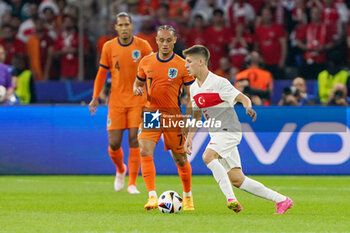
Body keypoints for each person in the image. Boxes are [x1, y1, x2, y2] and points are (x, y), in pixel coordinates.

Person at [183, 45, 293, 214]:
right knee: (237, 179)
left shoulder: (219, 82)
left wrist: (248, 107)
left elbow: (243, 98)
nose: (186, 65)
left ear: (201, 61)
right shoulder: (193, 88)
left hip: (229, 130)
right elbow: (197, 116)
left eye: (189, 62)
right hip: (217, 133)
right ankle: (282, 200)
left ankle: (231, 199)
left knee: (208, 156)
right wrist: (190, 137)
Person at [89, 12, 153, 194]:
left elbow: (153, 71)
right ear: (116, 27)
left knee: (135, 139)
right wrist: (95, 96)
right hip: (116, 101)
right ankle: (120, 169)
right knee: (114, 143)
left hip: (138, 99)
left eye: (127, 24)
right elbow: (102, 73)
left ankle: (132, 183)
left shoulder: (143, 46)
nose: (124, 28)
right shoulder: (109, 47)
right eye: (120, 25)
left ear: (132, 26)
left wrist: (152, 96)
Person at [133, 25, 195, 211]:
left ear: (175, 40)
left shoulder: (183, 65)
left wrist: (187, 119)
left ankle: (188, 196)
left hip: (173, 115)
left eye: (169, 40)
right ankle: (152, 196)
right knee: (144, 149)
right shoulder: (146, 62)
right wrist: (137, 89)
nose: (165, 43)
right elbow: (138, 83)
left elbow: (191, 96)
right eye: (161, 40)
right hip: (152, 113)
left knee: (180, 159)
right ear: (156, 40)